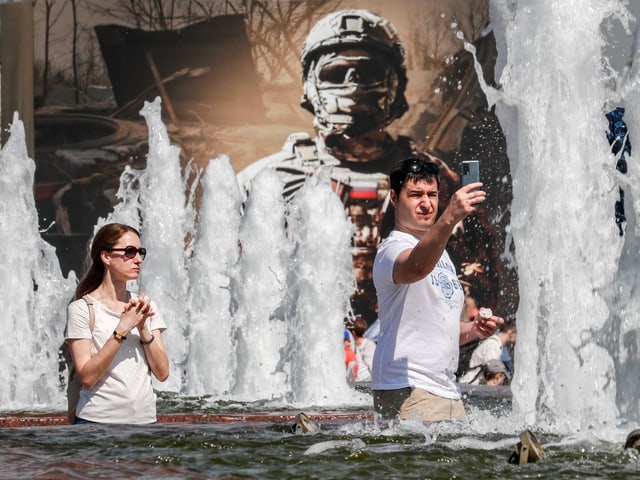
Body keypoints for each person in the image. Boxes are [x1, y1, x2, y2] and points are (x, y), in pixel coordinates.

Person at [237, 9, 459, 327]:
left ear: (394, 83)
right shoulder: (264, 181)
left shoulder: (435, 180)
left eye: (367, 73)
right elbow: (229, 280)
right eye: (335, 73)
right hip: (297, 345)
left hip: (399, 347)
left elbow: (469, 279)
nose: (352, 85)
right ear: (312, 85)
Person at [371, 155, 503, 422]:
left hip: (446, 389)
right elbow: (416, 267)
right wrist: (450, 216)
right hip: (408, 387)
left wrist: (475, 329)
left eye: (432, 194)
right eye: (415, 194)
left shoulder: (440, 253)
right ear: (395, 199)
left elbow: (443, 330)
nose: (426, 203)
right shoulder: (391, 248)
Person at [65, 223, 169, 424]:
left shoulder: (144, 306)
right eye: (130, 252)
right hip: (97, 425)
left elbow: (163, 373)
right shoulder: (82, 309)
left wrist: (142, 328)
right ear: (106, 257)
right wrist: (122, 329)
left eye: (140, 252)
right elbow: (87, 377)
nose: (138, 259)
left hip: (145, 423)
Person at [458, 321, 517, 385]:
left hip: (471, 385)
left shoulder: (493, 343)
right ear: (512, 333)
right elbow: (494, 372)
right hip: (471, 385)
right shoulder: (493, 345)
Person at [346, 315, 376, 382]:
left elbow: (372, 368)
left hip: (366, 381)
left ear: (353, 333)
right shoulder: (350, 345)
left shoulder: (369, 345)